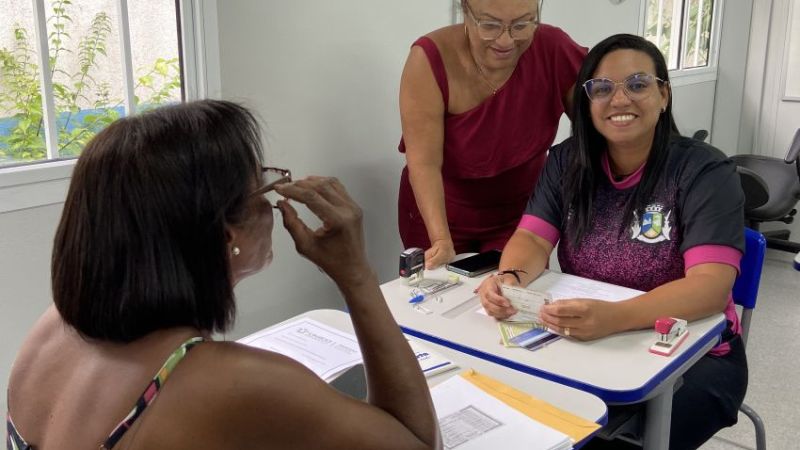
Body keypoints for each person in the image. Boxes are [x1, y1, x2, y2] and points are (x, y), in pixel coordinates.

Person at [6, 100, 440, 450]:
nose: (275, 201)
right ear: (227, 234)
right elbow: (420, 443)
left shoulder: (53, 327)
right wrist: (357, 275)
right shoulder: (230, 384)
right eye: (263, 188)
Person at [478, 34, 748, 449]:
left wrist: (614, 317)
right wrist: (510, 277)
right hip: (588, 340)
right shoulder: (568, 161)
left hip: (692, 357)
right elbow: (532, 236)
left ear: (663, 95)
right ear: (587, 102)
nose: (619, 99)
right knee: (504, 415)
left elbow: (710, 288)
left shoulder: (704, 170)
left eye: (637, 84)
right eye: (602, 88)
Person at [398, 0, 587, 268]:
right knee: (439, 298)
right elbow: (424, 163)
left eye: (522, 24)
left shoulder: (553, 47)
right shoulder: (429, 59)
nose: (506, 40)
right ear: (465, 10)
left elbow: (594, 130)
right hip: (441, 209)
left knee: (513, 297)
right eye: (490, 25)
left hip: (521, 211)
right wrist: (441, 239)